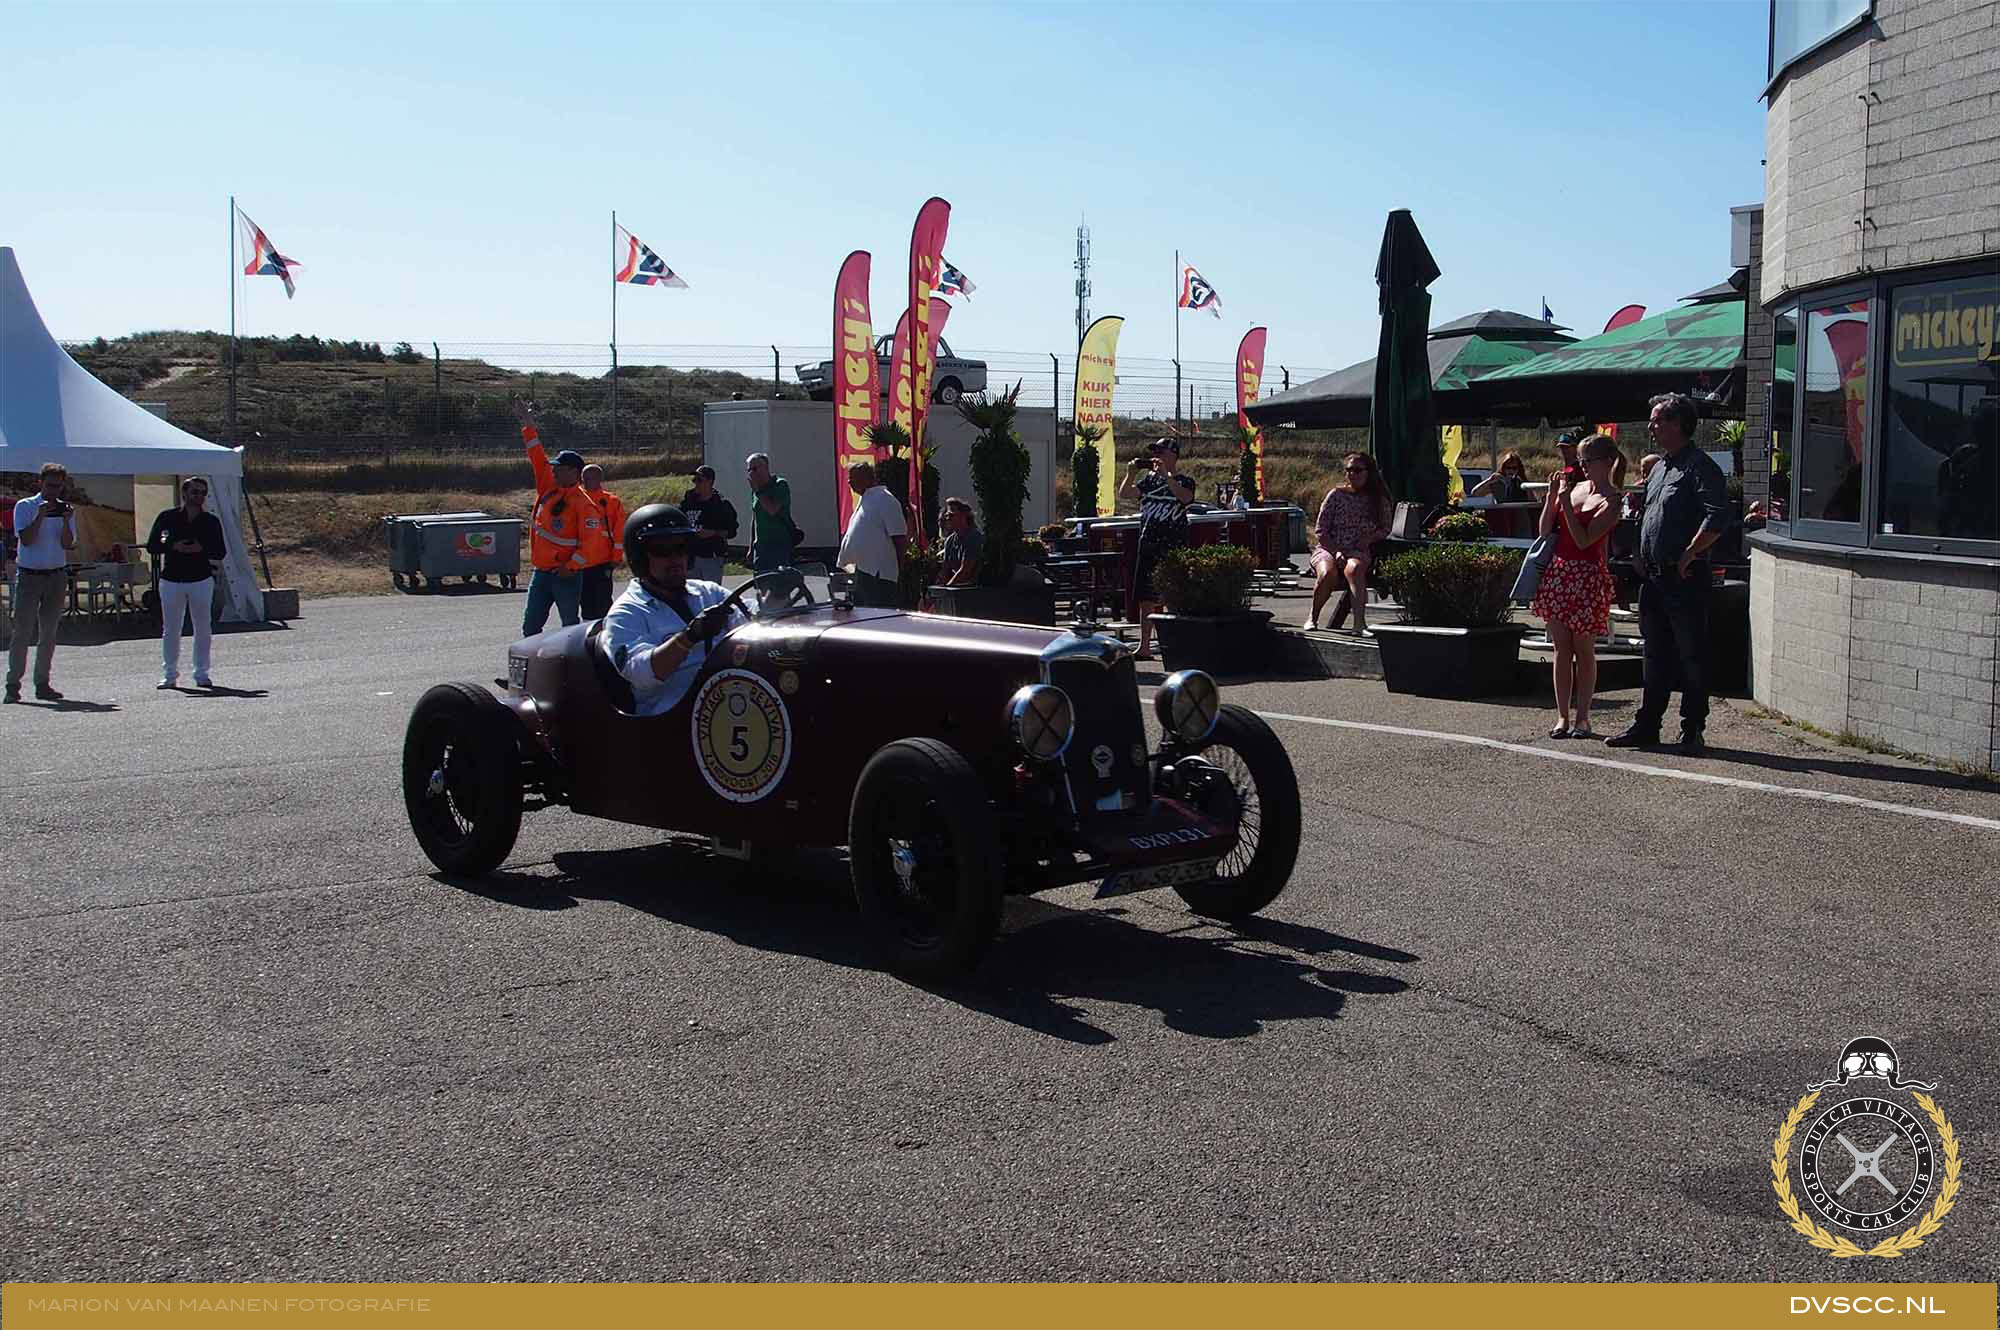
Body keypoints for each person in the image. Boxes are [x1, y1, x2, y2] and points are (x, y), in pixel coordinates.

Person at [1606, 393, 1730, 756]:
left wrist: (1691, 551)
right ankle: (1648, 725)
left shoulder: (1700, 466)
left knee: (1691, 655)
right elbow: (1648, 513)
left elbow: (1717, 516)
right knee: (1654, 655)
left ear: (1677, 424)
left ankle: (1692, 728)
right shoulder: (1659, 467)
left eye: (1658, 420)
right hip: (1653, 579)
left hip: (1684, 578)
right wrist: (1637, 553)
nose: (1651, 426)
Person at [602, 505, 744, 718]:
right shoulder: (625, 613)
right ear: (640, 558)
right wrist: (688, 637)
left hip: (729, 705)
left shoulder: (709, 593)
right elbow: (640, 673)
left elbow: (750, 617)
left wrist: (776, 601)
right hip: (671, 718)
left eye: (681, 548)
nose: (675, 558)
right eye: (662, 550)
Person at [1532, 436, 1625, 739]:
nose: (1582, 466)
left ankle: (1583, 717)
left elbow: (1585, 540)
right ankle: (1562, 716)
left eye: (1588, 461)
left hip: (1587, 577)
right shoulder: (1575, 488)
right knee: (1561, 649)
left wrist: (1565, 505)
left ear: (1608, 462)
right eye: (1580, 460)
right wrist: (1552, 498)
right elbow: (1545, 531)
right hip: (1559, 573)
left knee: (1584, 650)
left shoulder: (1613, 500)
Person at [514, 402, 610, 636]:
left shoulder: (585, 505)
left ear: (574, 473)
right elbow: (537, 456)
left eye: (559, 468)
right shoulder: (549, 488)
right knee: (530, 627)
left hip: (565, 575)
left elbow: (591, 543)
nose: (554, 471)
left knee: (570, 626)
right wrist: (528, 425)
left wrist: (571, 567)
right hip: (541, 572)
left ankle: (570, 659)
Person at [146, 477, 228, 689]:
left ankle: (201, 673)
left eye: (202, 493)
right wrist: (173, 546)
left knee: (203, 627)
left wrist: (202, 548)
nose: (199, 496)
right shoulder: (168, 518)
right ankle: (169, 674)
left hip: (201, 579)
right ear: (184, 494)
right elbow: (154, 544)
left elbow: (220, 551)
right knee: (171, 628)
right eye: (195, 492)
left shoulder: (210, 521)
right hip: (172, 579)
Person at [1118, 438, 1196, 661]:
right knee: (1146, 598)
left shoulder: (1184, 481)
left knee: (1174, 596)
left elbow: (1186, 497)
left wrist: (1167, 476)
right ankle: (1144, 646)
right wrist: (1131, 474)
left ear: (1173, 456)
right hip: (1148, 545)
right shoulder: (1148, 481)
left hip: (1173, 547)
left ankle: (1175, 644)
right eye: (1155, 453)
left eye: (1161, 453)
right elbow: (1125, 494)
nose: (1156, 457)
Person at [7, 462, 78, 703]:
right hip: (29, 575)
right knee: (22, 631)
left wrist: (66, 520)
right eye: (49, 485)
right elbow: (26, 539)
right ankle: (13, 683)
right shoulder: (25, 506)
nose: (53, 491)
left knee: (49, 633)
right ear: (40, 483)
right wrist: (40, 515)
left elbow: (67, 544)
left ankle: (42, 682)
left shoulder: (66, 510)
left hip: (56, 575)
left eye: (58, 487)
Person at [1304, 453, 1392, 635]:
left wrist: (1369, 539)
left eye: (1357, 470)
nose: (1352, 474)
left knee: (1355, 570)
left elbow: (1385, 528)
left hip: (1357, 549)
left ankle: (1359, 624)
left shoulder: (1378, 500)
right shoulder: (1335, 495)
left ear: (1368, 473)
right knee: (1327, 573)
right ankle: (1313, 616)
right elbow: (1321, 530)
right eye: (1349, 470)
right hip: (1329, 547)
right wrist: (1336, 552)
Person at [836, 461, 908, 608]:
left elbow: (899, 537)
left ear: (867, 478)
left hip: (879, 575)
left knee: (878, 615)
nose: (849, 481)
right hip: (862, 572)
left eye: (853, 477)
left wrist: (899, 567)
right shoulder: (867, 499)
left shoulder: (886, 499)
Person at [578, 464, 627, 620]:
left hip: (603, 561)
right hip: (580, 561)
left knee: (603, 601)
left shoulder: (611, 501)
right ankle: (588, 629)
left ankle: (607, 629)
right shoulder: (576, 499)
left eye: (590, 478)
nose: (586, 482)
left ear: (600, 479)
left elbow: (619, 532)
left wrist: (616, 557)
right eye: (584, 479)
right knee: (585, 603)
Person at [679, 465, 739, 583]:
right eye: (694, 480)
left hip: (712, 557)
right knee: (693, 591)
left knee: (711, 591)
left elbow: (731, 531)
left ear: (710, 482)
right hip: (691, 557)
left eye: (699, 480)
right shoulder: (688, 502)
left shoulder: (721, 505)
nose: (696, 483)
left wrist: (713, 533)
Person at [745, 452, 795, 572]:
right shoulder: (756, 491)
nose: (752, 473)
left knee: (778, 580)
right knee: (761, 581)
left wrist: (758, 491)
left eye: (755, 469)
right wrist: (751, 547)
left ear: (766, 467)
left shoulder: (780, 485)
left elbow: (772, 510)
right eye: (749, 470)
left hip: (779, 545)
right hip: (760, 547)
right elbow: (755, 518)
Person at [938, 498, 984, 588]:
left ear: (963, 516)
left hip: (974, 588)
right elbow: (945, 569)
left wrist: (947, 588)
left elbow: (965, 571)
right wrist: (938, 588)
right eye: (946, 516)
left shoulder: (973, 537)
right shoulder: (950, 541)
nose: (948, 519)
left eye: (951, 515)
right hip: (956, 588)